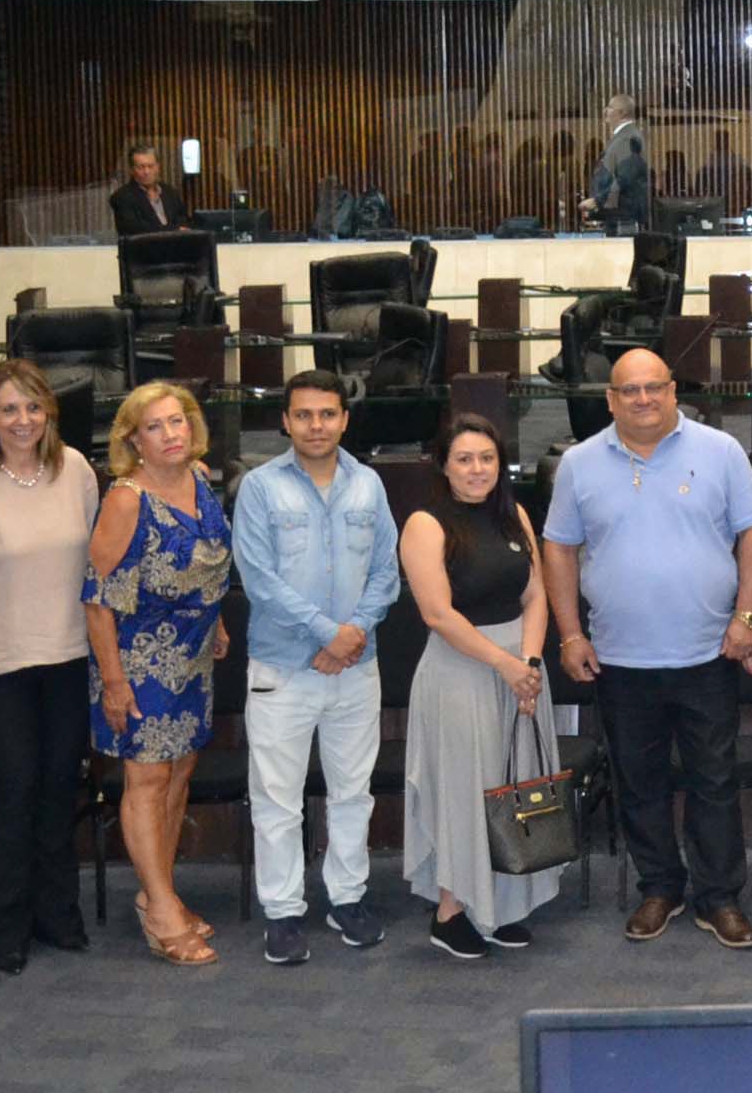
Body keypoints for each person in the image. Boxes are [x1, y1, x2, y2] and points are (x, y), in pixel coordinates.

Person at [542, 348, 752, 949]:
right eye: (630, 391)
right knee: (639, 782)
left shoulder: (719, 452)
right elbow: (560, 549)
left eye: (654, 387)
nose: (643, 399)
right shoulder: (578, 463)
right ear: (610, 399)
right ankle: (659, 888)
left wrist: (747, 616)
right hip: (621, 657)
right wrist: (570, 633)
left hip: (707, 653)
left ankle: (718, 897)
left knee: (713, 782)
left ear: (673, 390)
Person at [229, 370, 403, 967]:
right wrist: (331, 634)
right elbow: (258, 580)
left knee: (352, 792)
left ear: (344, 419)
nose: (316, 425)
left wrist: (353, 635)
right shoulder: (259, 487)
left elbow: (387, 571)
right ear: (285, 421)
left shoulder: (369, 485)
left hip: (357, 667)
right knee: (277, 797)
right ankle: (283, 912)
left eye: (327, 414)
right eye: (303, 415)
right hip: (282, 668)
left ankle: (347, 898)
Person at [0, 358, 101, 973]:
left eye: (33, 407)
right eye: (9, 408)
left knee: (60, 789)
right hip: (2, 663)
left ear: (49, 413)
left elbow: (96, 560)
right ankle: (4, 927)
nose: (23, 419)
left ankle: (56, 915)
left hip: (69, 657)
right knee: (14, 791)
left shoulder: (77, 471)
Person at [398, 415, 562, 959]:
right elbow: (439, 615)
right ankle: (452, 911)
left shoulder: (513, 513)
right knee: (466, 792)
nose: (476, 469)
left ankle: (503, 906)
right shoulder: (426, 524)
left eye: (486, 458)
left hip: (521, 669)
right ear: (444, 465)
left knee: (512, 789)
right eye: (464, 459)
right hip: (461, 672)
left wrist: (531, 660)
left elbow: (536, 594)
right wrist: (506, 664)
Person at [83, 380, 233, 967]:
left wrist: (216, 622)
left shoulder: (199, 479)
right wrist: (115, 681)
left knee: (178, 776)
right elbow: (97, 598)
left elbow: (209, 561)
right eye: (155, 426)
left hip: (193, 658)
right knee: (146, 781)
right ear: (133, 439)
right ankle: (164, 911)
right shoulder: (126, 498)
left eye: (177, 422)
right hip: (137, 661)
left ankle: (158, 893)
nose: (170, 434)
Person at [583, 94, 650, 235]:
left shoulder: (628, 137)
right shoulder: (624, 136)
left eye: (610, 107)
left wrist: (597, 201)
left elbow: (625, 178)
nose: (605, 111)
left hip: (624, 220)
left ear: (622, 112)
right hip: (618, 217)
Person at [110, 145, 186, 236]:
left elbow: (184, 222)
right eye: (141, 167)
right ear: (132, 170)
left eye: (150, 166)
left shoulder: (170, 193)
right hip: (144, 248)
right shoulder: (122, 197)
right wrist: (174, 230)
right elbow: (135, 230)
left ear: (158, 167)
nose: (146, 172)